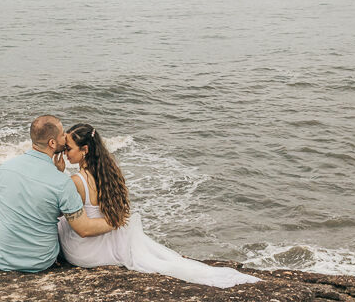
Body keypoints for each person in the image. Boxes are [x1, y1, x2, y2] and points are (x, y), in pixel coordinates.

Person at [57, 122, 260, 288]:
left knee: (57, 221)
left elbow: (79, 224)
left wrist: (58, 174)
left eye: (68, 149)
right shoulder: (108, 172)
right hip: (108, 244)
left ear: (84, 150)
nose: (65, 153)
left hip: (84, 253)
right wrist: (117, 222)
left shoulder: (77, 180)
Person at [0, 115, 113, 272]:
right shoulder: (62, 182)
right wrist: (116, 222)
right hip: (42, 260)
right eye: (62, 134)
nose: (65, 137)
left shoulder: (5, 169)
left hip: (0, 258)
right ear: (52, 143)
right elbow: (83, 228)